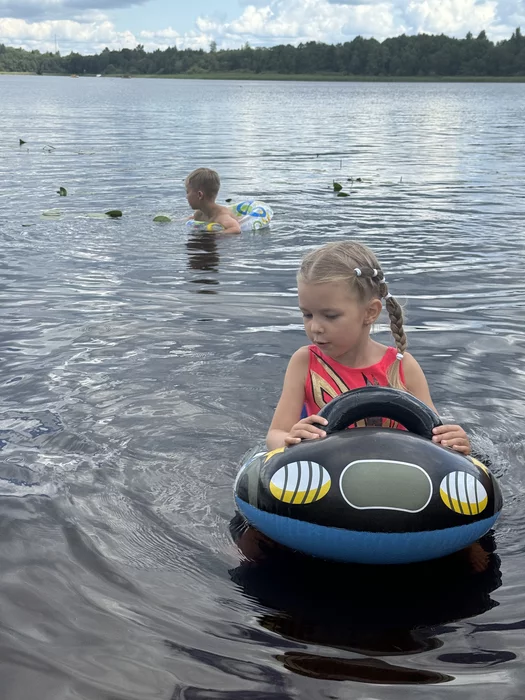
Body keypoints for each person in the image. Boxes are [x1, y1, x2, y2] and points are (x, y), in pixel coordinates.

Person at [266, 241, 471, 454]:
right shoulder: (304, 362)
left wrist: (454, 442)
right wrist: (290, 440)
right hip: (328, 467)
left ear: (370, 312)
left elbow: (434, 434)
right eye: (307, 314)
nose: (315, 327)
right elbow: (275, 434)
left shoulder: (403, 366)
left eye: (330, 316)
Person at [185, 168, 241, 234]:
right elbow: (191, 218)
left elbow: (236, 229)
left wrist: (216, 235)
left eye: (187, 192)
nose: (186, 197)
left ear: (200, 195)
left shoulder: (221, 216)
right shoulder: (199, 214)